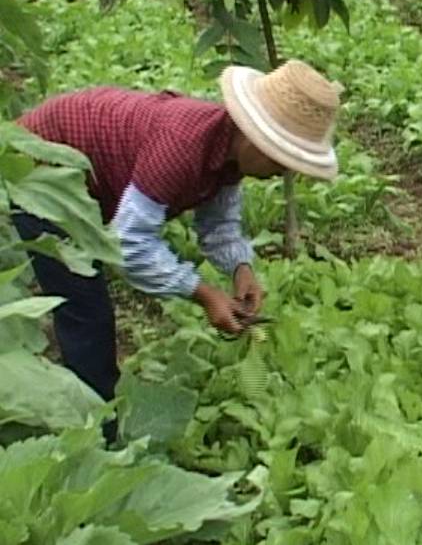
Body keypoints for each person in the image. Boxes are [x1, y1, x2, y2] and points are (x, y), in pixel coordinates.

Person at [13, 59, 341, 423]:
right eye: (282, 159)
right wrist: (204, 294)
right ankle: (92, 430)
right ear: (255, 138)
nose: (284, 171)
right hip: (38, 170)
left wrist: (240, 269)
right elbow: (129, 245)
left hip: (85, 188)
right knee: (86, 311)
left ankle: (89, 401)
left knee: (84, 297)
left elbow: (218, 226)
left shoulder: (225, 153)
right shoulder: (183, 146)